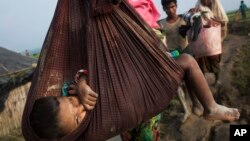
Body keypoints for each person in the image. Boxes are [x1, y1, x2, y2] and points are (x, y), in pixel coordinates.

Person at [23, 0, 240, 140]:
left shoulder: (69, 92)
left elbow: (78, 74)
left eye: (73, 104)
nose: (82, 109)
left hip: (139, 72)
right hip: (130, 102)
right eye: (79, 119)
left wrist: (79, 84)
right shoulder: (91, 131)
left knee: (186, 61)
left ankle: (207, 107)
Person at [190, 0, 229, 86]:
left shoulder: (216, 4)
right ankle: (203, 84)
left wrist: (213, 20)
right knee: (201, 61)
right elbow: (195, 21)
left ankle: (217, 80)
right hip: (202, 39)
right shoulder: (198, 5)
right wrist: (195, 14)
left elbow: (223, 22)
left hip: (214, 39)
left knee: (214, 60)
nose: (205, 1)